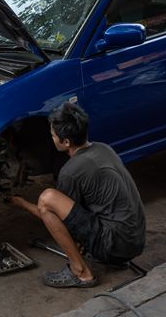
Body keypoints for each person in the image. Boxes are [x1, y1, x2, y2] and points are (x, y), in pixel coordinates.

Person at [11, 102, 145, 288]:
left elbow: (54, 214)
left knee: (47, 198)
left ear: (66, 142)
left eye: (53, 135)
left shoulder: (71, 171)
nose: (51, 138)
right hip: (135, 240)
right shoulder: (104, 148)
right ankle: (110, 258)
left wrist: (22, 203)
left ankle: (81, 272)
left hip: (115, 246)